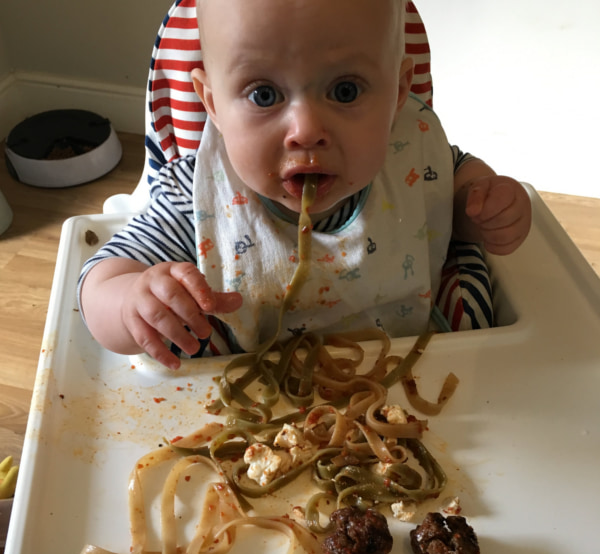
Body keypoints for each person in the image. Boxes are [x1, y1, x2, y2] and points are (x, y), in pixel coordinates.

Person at [79, 0, 531, 370]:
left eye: (346, 91)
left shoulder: (411, 159)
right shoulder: (198, 197)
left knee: (472, 283)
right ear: (212, 104)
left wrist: (486, 207)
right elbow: (98, 281)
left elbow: (458, 191)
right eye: (264, 94)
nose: (306, 129)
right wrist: (131, 305)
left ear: (397, 95)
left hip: (413, 379)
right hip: (254, 407)